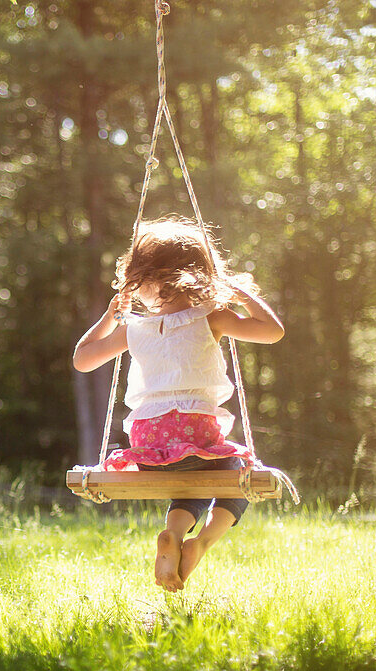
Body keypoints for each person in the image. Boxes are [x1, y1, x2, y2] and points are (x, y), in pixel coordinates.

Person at [72, 216, 285, 592]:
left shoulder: (132, 328)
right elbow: (272, 332)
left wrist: (110, 316)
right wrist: (243, 295)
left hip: (147, 442)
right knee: (236, 472)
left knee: (192, 475)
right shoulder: (212, 317)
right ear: (203, 277)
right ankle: (201, 540)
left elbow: (82, 358)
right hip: (196, 430)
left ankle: (172, 531)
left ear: (140, 282)